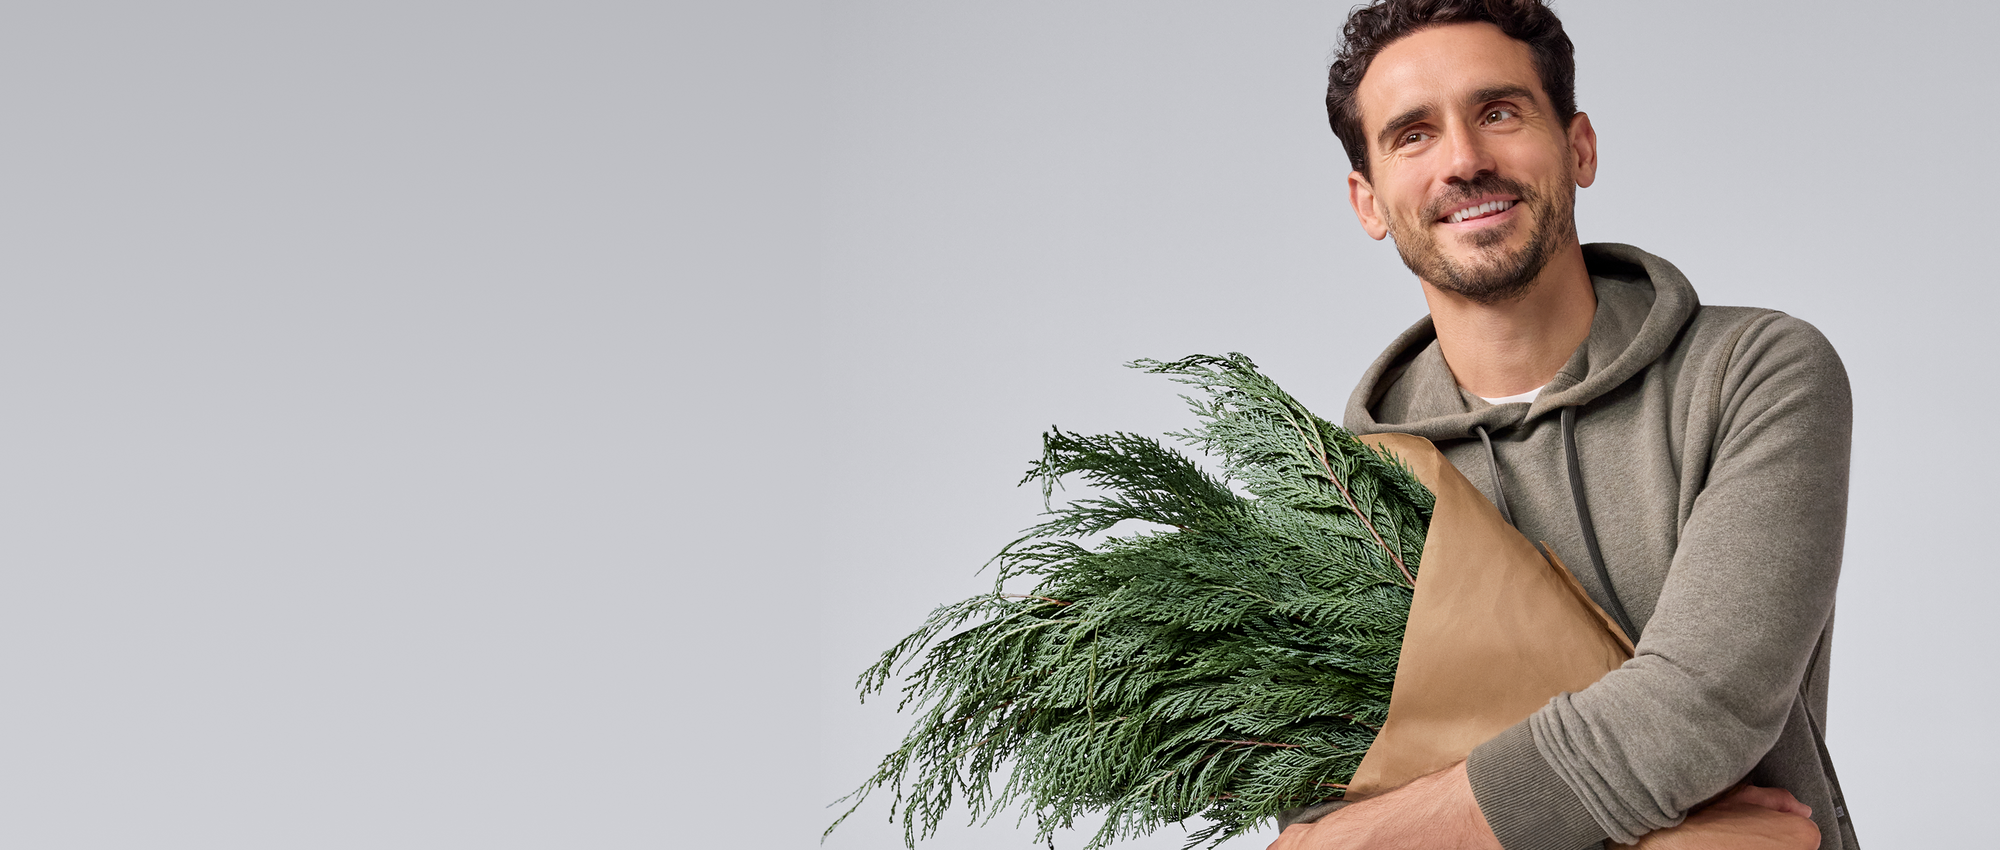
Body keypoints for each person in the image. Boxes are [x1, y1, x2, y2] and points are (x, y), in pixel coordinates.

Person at [1269, 2, 1856, 849]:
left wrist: (1358, 841)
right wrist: (1675, 832)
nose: (1465, 161)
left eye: (1499, 113)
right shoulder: (1344, 498)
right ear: (1368, 200)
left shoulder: (1753, 372)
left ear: (1578, 146)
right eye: (1413, 135)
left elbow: (1702, 708)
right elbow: (1318, 797)